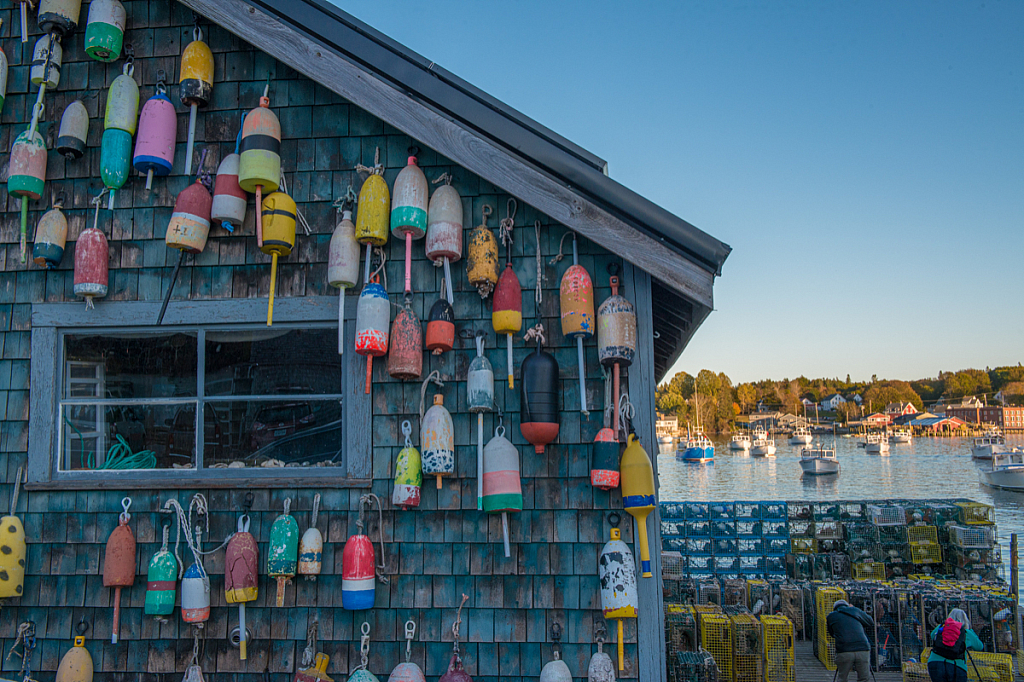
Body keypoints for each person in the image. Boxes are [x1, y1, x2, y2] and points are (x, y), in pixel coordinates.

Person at [928, 608, 984, 682]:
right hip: (956, 665)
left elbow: (932, 636)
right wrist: (971, 631)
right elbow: (979, 646)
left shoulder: (941, 627)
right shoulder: (966, 632)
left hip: (935, 662)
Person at [826, 599, 875, 682]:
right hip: (862, 648)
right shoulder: (855, 611)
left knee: (842, 678)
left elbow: (832, 634)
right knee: (864, 678)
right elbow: (870, 621)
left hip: (844, 650)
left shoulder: (831, 616)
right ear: (847, 606)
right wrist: (854, 609)